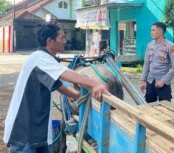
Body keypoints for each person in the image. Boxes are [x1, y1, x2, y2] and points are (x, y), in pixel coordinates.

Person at [3, 21, 110, 152]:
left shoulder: (45, 60)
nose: (66, 40)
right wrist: (95, 84)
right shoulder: (40, 58)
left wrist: (77, 96)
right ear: (50, 41)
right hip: (24, 131)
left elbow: (57, 85)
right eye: (62, 37)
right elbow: (65, 73)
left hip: (38, 130)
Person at [140, 22, 174, 103]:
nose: (151, 32)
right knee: (150, 107)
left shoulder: (171, 46)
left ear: (160, 31)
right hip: (150, 81)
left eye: (153, 30)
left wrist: (163, 81)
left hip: (163, 83)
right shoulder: (150, 45)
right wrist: (143, 80)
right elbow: (146, 64)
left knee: (165, 108)